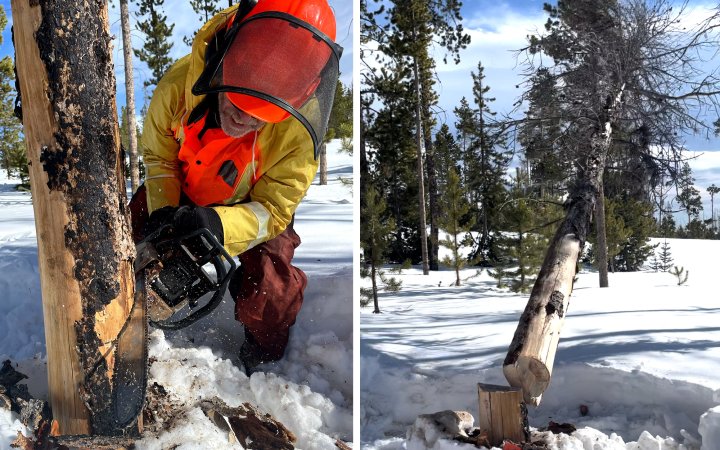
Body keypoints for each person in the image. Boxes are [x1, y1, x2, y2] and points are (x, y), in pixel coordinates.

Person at [129, 0, 342, 372]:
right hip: (181, 187)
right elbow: (159, 158)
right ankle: (122, 320)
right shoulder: (179, 88)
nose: (244, 117)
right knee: (128, 237)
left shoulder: (297, 136)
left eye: (261, 113)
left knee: (272, 295)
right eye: (240, 100)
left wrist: (218, 225)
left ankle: (261, 358)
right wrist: (165, 212)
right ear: (228, 56)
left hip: (250, 208)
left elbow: (274, 210)